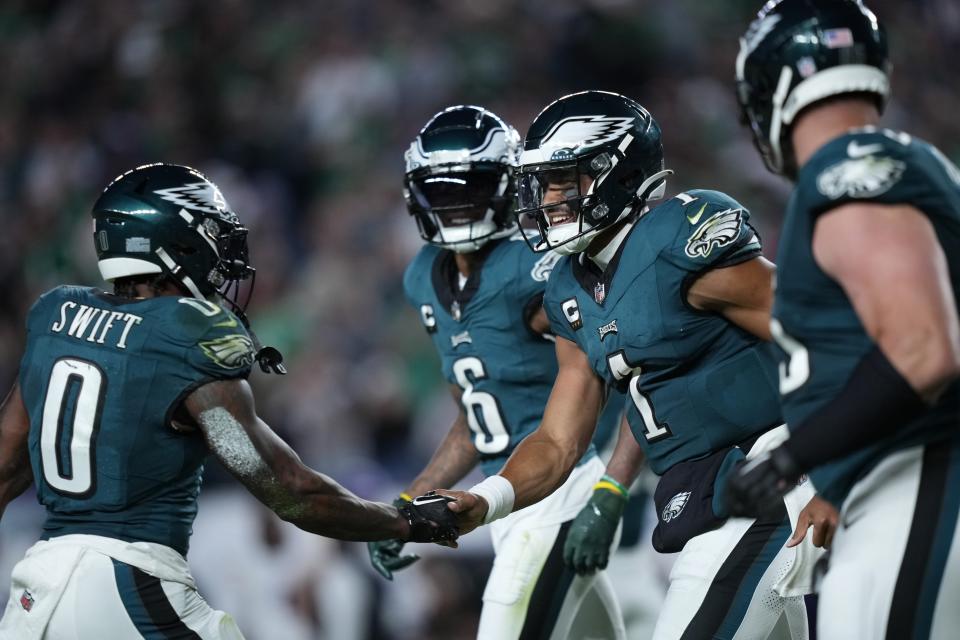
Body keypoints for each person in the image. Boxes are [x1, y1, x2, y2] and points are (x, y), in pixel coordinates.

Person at [0, 163, 456, 640]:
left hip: (38, 591)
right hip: (129, 582)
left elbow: (5, 470)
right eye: (211, 236)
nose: (222, 256)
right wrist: (403, 522)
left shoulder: (56, 315)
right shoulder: (189, 330)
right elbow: (290, 491)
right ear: (175, 244)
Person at [431, 90, 823, 639]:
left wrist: (825, 463)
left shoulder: (676, 240)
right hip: (707, 490)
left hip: (769, 477)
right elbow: (558, 442)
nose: (549, 200)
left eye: (565, 181)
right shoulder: (568, 286)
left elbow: (821, 333)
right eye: (544, 184)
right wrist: (485, 498)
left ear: (617, 171)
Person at [724, 1, 960, 637]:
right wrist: (834, 480)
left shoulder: (848, 168)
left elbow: (922, 349)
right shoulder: (896, 163)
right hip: (894, 480)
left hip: (921, 476)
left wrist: (790, 457)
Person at [368, 105, 626, 640]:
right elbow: (475, 417)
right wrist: (412, 500)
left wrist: (613, 484)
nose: (457, 203)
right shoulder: (423, 278)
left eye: (473, 186)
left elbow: (618, 371)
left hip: (557, 491)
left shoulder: (536, 268)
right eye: (442, 190)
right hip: (503, 502)